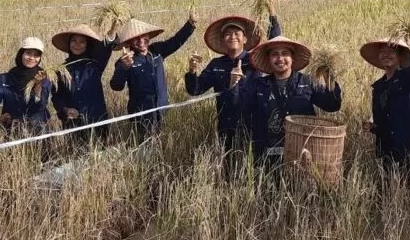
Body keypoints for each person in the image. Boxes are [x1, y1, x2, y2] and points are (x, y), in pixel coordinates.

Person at [184, 9, 281, 151]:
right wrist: (192, 71)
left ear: (245, 39)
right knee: (229, 168)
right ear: (223, 40)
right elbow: (195, 89)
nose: (232, 37)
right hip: (226, 127)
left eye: (237, 33)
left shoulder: (255, 60)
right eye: (228, 34)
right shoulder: (216, 65)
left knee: (253, 166)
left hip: (254, 127)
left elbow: (275, 46)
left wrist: (272, 16)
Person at [237, 36, 342, 164]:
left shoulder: (307, 82)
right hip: (267, 156)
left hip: (302, 153)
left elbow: (332, 106)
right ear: (269, 59)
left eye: (285, 53)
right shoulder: (258, 85)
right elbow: (241, 108)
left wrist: (330, 82)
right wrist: (234, 85)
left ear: (292, 58)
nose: (280, 58)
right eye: (274, 54)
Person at [110, 12, 196, 142]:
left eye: (143, 36)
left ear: (148, 35)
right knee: (145, 146)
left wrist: (190, 24)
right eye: (135, 38)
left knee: (163, 143)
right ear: (129, 42)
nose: (141, 41)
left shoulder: (157, 51)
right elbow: (116, 86)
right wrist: (124, 67)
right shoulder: (125, 61)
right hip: (141, 115)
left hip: (162, 110)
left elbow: (175, 41)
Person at [360, 34, 410, 176]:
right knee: (387, 187)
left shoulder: (407, 80)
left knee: (408, 187)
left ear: (400, 56)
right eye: (382, 52)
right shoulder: (378, 87)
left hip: (406, 147)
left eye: (391, 51)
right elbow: (383, 119)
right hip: (385, 148)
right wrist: (373, 127)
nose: (386, 54)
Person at [50, 24, 117, 142]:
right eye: (74, 41)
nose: (77, 44)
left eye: (82, 42)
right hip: (72, 124)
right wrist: (65, 110)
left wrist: (112, 30)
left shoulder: (95, 64)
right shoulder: (61, 70)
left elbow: (106, 48)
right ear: (69, 43)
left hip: (97, 121)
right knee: (75, 157)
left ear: (88, 45)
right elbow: (57, 96)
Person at [0, 37, 52, 135]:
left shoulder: (43, 78)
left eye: (36, 55)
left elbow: (40, 106)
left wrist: (38, 85)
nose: (31, 58)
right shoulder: (6, 78)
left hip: (38, 130)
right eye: (28, 53)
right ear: (21, 54)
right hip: (12, 130)